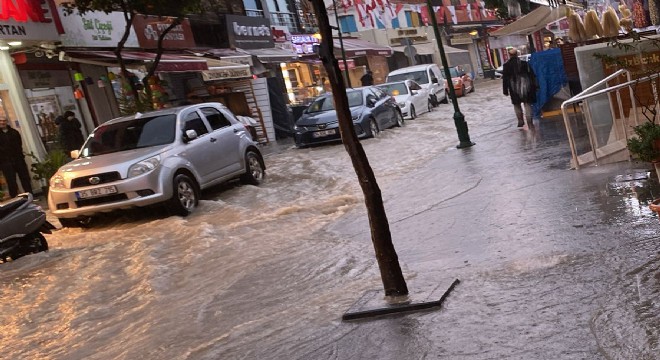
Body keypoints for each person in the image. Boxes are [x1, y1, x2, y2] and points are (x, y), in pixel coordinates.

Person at [502, 48, 537, 128]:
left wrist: (505, 90)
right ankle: (529, 122)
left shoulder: (506, 65)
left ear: (509, 55)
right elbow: (531, 75)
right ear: (517, 54)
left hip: (513, 88)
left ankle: (520, 121)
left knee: (516, 104)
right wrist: (535, 86)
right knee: (527, 104)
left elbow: (505, 79)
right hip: (526, 86)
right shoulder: (524, 63)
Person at [0, 118, 33, 198]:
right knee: (11, 181)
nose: (2, 122)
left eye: (4, 121)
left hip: (18, 159)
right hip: (6, 161)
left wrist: (19, 155)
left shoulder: (14, 132)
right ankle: (14, 198)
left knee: (25, 178)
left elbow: (19, 145)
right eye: (0, 121)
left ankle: (30, 196)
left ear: (7, 122)